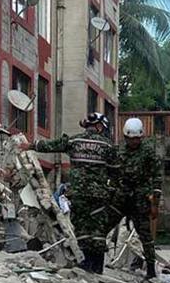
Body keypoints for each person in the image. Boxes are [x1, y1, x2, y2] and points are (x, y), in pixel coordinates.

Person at [33, 112, 119, 273]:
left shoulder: (74, 141)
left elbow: (52, 146)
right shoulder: (108, 146)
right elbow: (116, 173)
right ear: (99, 126)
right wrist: (111, 192)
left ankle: (86, 267)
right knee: (98, 231)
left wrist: (32, 145)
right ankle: (98, 268)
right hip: (98, 196)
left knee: (82, 230)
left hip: (78, 194)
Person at [117, 117, 162, 278]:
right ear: (126, 137)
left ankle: (150, 269)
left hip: (141, 200)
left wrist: (155, 203)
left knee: (145, 235)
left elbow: (157, 177)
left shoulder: (148, 151)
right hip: (122, 197)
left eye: (137, 139)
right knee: (105, 226)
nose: (134, 142)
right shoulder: (120, 151)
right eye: (131, 139)